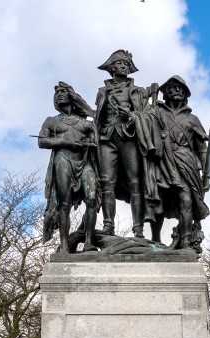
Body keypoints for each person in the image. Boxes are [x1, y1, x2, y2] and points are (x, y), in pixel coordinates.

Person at [92, 50, 160, 239]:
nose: (124, 66)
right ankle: (108, 225)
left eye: (126, 64)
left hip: (129, 137)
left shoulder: (138, 92)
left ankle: (138, 228)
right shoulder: (102, 92)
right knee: (107, 182)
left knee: (135, 182)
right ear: (112, 68)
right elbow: (97, 117)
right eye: (120, 63)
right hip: (107, 138)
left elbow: (149, 115)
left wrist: (131, 116)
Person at [149, 75, 210, 251]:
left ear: (185, 94)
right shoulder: (156, 113)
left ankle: (185, 242)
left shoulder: (193, 119)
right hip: (162, 160)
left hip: (186, 162)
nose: (176, 90)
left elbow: (201, 149)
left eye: (180, 88)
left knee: (186, 200)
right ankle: (155, 239)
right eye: (172, 88)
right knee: (158, 200)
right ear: (165, 93)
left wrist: (207, 175)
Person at [37, 82, 99, 253]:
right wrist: (64, 141)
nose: (59, 94)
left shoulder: (86, 124)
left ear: (72, 96)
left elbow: (97, 143)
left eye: (63, 91)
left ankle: (88, 242)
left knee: (92, 199)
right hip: (63, 159)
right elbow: (42, 141)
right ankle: (64, 245)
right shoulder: (51, 121)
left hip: (85, 161)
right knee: (64, 203)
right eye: (56, 92)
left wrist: (90, 143)